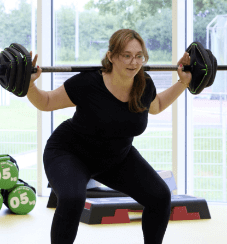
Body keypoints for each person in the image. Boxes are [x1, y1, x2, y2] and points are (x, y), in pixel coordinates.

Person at [24, 29, 191, 244]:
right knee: (72, 199)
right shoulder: (88, 83)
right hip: (70, 153)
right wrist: (28, 84)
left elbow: (156, 105)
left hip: (116, 157)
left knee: (159, 196)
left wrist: (183, 82)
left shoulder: (143, 84)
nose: (134, 62)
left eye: (139, 56)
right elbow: (46, 102)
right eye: (126, 55)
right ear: (111, 56)